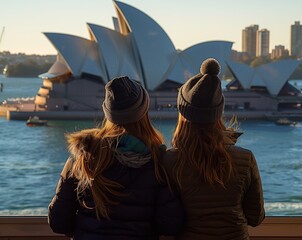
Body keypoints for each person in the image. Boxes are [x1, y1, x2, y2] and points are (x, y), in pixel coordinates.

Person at [48, 76, 184, 239]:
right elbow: (171, 225)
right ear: (143, 112)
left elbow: (58, 222)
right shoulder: (156, 162)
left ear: (108, 112)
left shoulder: (83, 158)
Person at [162, 58, 265, 240]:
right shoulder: (245, 158)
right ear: (218, 113)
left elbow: (165, 219)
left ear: (182, 115)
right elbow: (255, 217)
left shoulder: (168, 160)